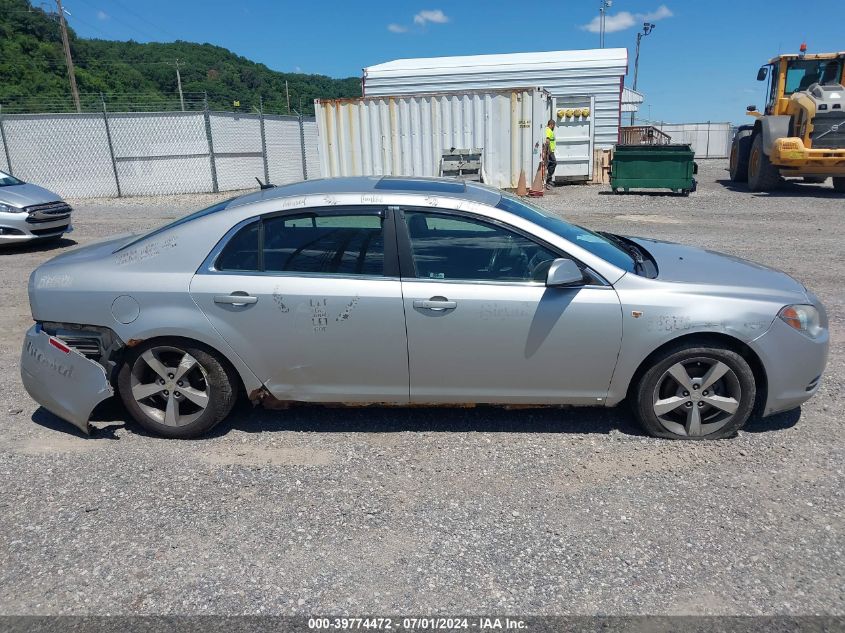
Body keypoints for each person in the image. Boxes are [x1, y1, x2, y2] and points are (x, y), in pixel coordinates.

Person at [545, 119, 557, 189]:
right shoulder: (548, 131)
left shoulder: (549, 130)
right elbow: (547, 141)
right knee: (554, 163)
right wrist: (549, 150)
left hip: (550, 151)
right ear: (551, 125)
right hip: (550, 151)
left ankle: (548, 180)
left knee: (550, 164)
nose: (554, 127)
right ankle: (548, 179)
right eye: (554, 126)